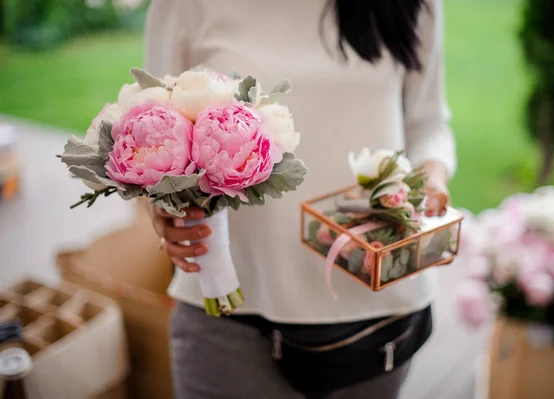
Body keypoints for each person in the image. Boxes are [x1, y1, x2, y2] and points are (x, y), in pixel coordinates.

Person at [144, 0, 456, 398]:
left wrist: (431, 177)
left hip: (376, 315)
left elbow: (429, 124)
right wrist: (161, 203)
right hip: (225, 311)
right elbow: (152, 133)